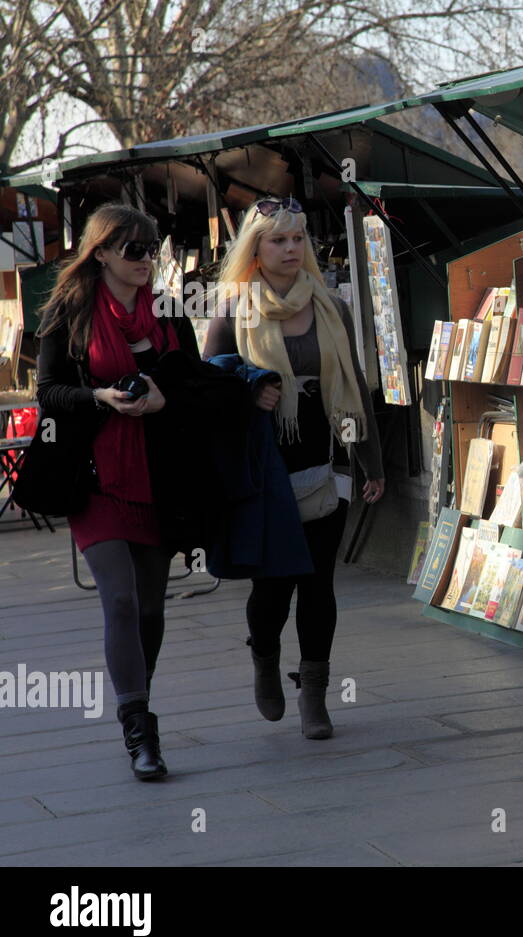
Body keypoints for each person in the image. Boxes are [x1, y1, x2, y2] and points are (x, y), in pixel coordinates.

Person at [203, 197, 384, 739]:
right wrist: (250, 389)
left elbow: (353, 387)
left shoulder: (332, 308)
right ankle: (264, 657)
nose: (289, 249)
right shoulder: (235, 308)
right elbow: (208, 389)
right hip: (264, 474)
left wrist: (369, 461)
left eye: (297, 239)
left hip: (325, 466)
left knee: (318, 582)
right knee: (273, 588)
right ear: (255, 248)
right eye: (277, 240)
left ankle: (315, 693)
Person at [34, 204, 203, 780]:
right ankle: (140, 733)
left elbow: (194, 387)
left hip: (158, 480)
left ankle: (137, 698)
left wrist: (164, 402)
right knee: (122, 601)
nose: (146, 260)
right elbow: (50, 392)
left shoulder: (171, 313)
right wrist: (100, 397)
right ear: (101, 252)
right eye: (133, 250)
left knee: (151, 608)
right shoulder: (69, 313)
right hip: (94, 479)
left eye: (152, 249)